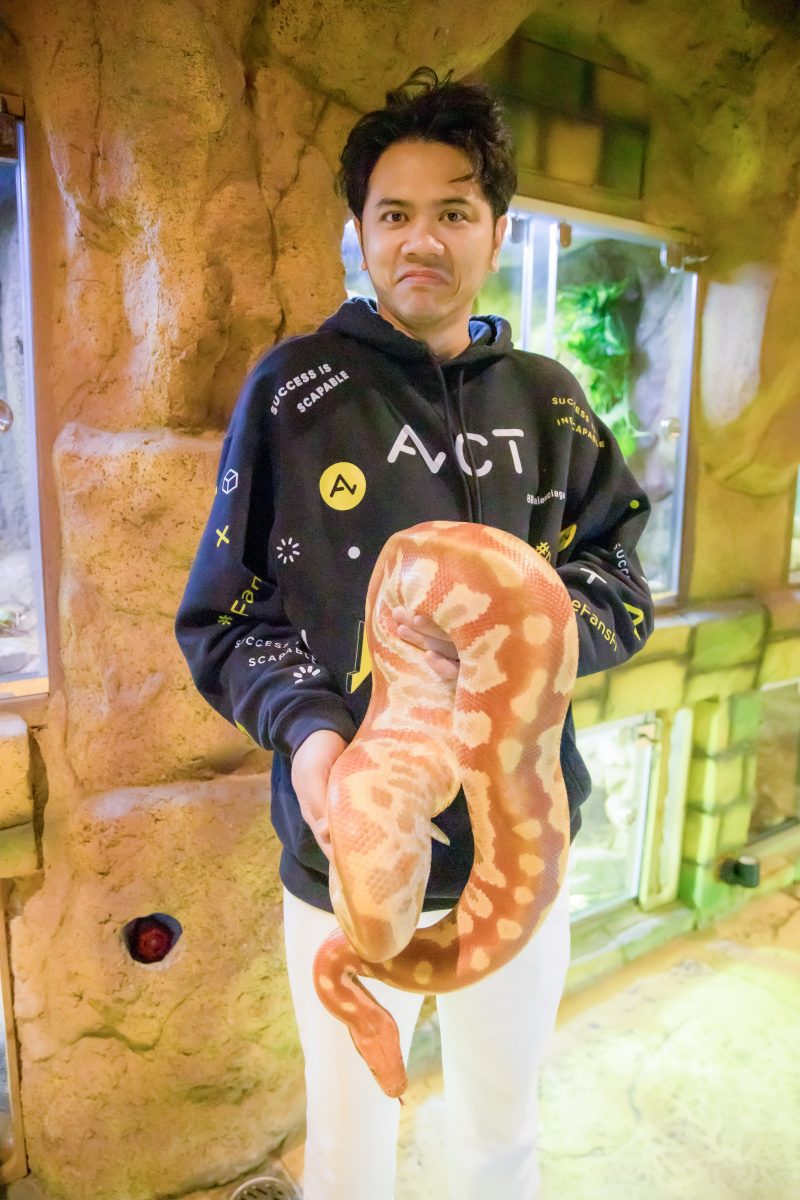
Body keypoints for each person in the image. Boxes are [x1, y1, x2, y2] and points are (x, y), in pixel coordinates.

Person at [175, 67, 654, 1200]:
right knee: (350, 1154)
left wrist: (523, 643)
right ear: (360, 232)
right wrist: (311, 738)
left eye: (453, 210)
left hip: (516, 857)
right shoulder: (293, 391)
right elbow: (227, 617)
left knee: (499, 1136)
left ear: (496, 231)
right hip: (342, 861)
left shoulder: (549, 399)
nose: (421, 240)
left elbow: (622, 580)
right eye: (393, 214)